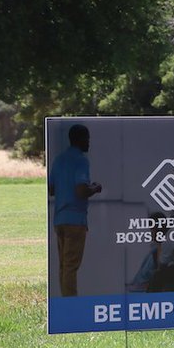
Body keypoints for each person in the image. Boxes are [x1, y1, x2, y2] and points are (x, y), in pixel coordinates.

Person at [48, 123, 103, 295]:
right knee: (71, 266)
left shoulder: (58, 160)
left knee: (64, 266)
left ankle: (65, 302)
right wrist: (95, 188)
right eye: (87, 138)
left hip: (59, 220)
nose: (89, 142)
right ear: (79, 139)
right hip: (75, 221)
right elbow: (80, 190)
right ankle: (71, 305)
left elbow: (51, 189)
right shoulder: (81, 160)